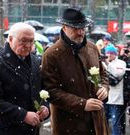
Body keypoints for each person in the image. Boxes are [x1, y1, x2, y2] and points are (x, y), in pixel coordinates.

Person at [41, 7, 109, 135]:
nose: (80, 32)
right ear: (64, 27)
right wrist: (82, 104)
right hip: (68, 125)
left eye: (83, 28)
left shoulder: (92, 48)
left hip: (97, 123)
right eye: (75, 28)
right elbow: (51, 91)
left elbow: (103, 75)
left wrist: (104, 88)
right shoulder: (51, 55)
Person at [0, 22, 50, 135]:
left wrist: (45, 108)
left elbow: (43, 91)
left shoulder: (35, 61)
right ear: (10, 39)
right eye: (23, 40)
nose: (28, 45)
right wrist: (23, 115)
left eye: (31, 41)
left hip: (32, 129)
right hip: (6, 129)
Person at [103, 45, 126, 135]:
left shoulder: (121, 63)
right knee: (103, 122)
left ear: (115, 54)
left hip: (115, 99)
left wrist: (108, 63)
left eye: (111, 53)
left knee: (115, 123)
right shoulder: (102, 62)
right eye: (107, 53)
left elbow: (118, 74)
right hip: (104, 97)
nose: (109, 55)